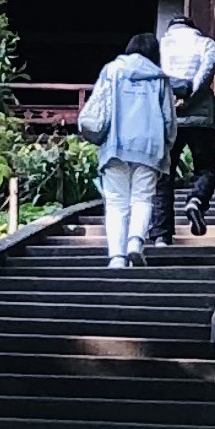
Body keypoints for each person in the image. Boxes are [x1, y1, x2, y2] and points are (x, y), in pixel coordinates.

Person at [81, 28, 178, 268]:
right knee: (142, 198)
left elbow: (100, 106)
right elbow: (169, 120)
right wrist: (167, 145)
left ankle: (116, 257)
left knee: (116, 203)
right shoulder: (160, 78)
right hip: (149, 147)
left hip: (116, 144)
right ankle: (135, 242)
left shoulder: (112, 71)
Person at [155, 0, 215, 238]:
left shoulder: (161, 46)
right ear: (193, 28)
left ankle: (162, 233)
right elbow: (207, 72)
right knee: (206, 168)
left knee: (164, 174)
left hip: (168, 117)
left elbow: (156, 76)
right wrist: (191, 96)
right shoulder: (206, 44)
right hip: (202, 118)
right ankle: (196, 200)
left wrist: (174, 101)